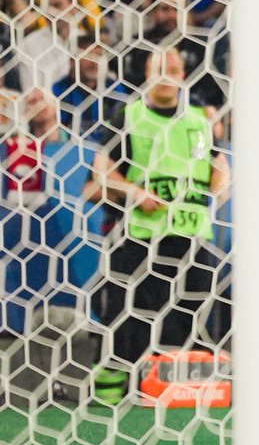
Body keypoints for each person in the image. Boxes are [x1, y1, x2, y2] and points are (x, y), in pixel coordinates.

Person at [85, 47, 229, 404]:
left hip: (189, 237)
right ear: (147, 74)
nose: (166, 73)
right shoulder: (129, 116)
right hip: (140, 237)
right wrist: (133, 192)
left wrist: (219, 187)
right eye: (159, 67)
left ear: (183, 76)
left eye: (174, 67)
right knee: (127, 317)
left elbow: (217, 164)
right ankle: (118, 393)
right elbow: (101, 170)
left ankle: (171, 391)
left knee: (187, 316)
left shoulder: (198, 121)